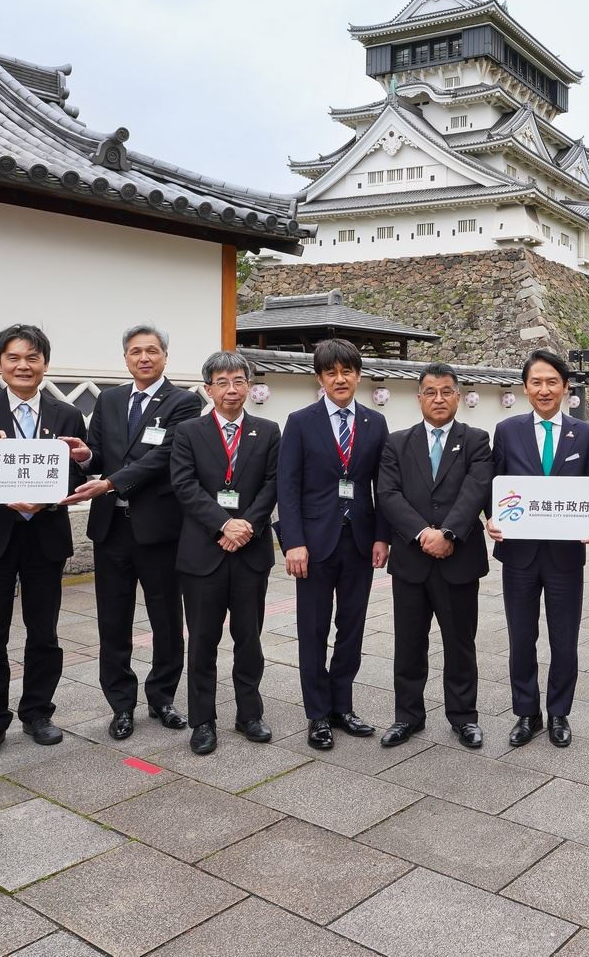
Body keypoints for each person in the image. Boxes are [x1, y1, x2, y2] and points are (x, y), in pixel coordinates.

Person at [0, 325, 87, 763]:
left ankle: (37, 713)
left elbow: (76, 477)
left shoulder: (66, 414)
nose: (23, 366)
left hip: (45, 534)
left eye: (32, 357)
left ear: (45, 363)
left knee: (44, 633)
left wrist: (82, 460)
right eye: (13, 358)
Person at [67, 323, 199, 740]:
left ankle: (163, 698)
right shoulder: (109, 399)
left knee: (165, 618)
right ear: (125, 358)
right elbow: (102, 453)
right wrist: (88, 457)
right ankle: (121, 704)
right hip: (111, 529)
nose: (144, 357)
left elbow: (164, 457)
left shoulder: (184, 402)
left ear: (165, 356)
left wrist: (109, 482)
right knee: (113, 620)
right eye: (136, 352)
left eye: (152, 351)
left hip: (159, 528)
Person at [277, 337, 391, 750]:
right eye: (331, 372)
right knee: (313, 628)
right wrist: (293, 542)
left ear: (358, 375)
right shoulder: (300, 421)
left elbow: (383, 487)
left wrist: (382, 535)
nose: (340, 379)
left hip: (359, 542)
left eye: (347, 371)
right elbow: (287, 488)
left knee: (352, 629)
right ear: (320, 377)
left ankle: (343, 706)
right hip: (313, 543)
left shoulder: (375, 424)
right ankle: (317, 714)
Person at [375, 363, 495, 749]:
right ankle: (407, 716)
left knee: (460, 643)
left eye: (446, 392)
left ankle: (463, 717)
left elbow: (476, 489)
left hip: (458, 559)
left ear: (458, 397)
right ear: (419, 398)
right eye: (431, 392)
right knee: (409, 643)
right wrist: (421, 533)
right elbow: (388, 494)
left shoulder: (476, 440)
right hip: (411, 560)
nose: (439, 399)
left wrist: (448, 534)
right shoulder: (397, 442)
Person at [486, 350, 589, 747]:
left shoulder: (584, 434)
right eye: (536, 382)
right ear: (525, 388)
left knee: (564, 637)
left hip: (565, 556)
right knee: (521, 637)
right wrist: (491, 518)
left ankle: (559, 713)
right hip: (518, 553)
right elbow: (495, 484)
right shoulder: (508, 430)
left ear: (566, 387)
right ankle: (526, 712)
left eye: (552, 381)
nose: (544, 389)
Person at [171, 351, 280, 756]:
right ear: (208, 389)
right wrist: (223, 524)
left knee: (248, 637)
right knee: (201, 640)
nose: (231, 389)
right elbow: (184, 486)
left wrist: (245, 525)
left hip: (250, 552)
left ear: (249, 386)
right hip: (203, 552)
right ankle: (202, 720)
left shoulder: (268, 431)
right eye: (222, 382)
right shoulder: (188, 432)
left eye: (238, 381)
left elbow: (272, 484)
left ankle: (249, 713)